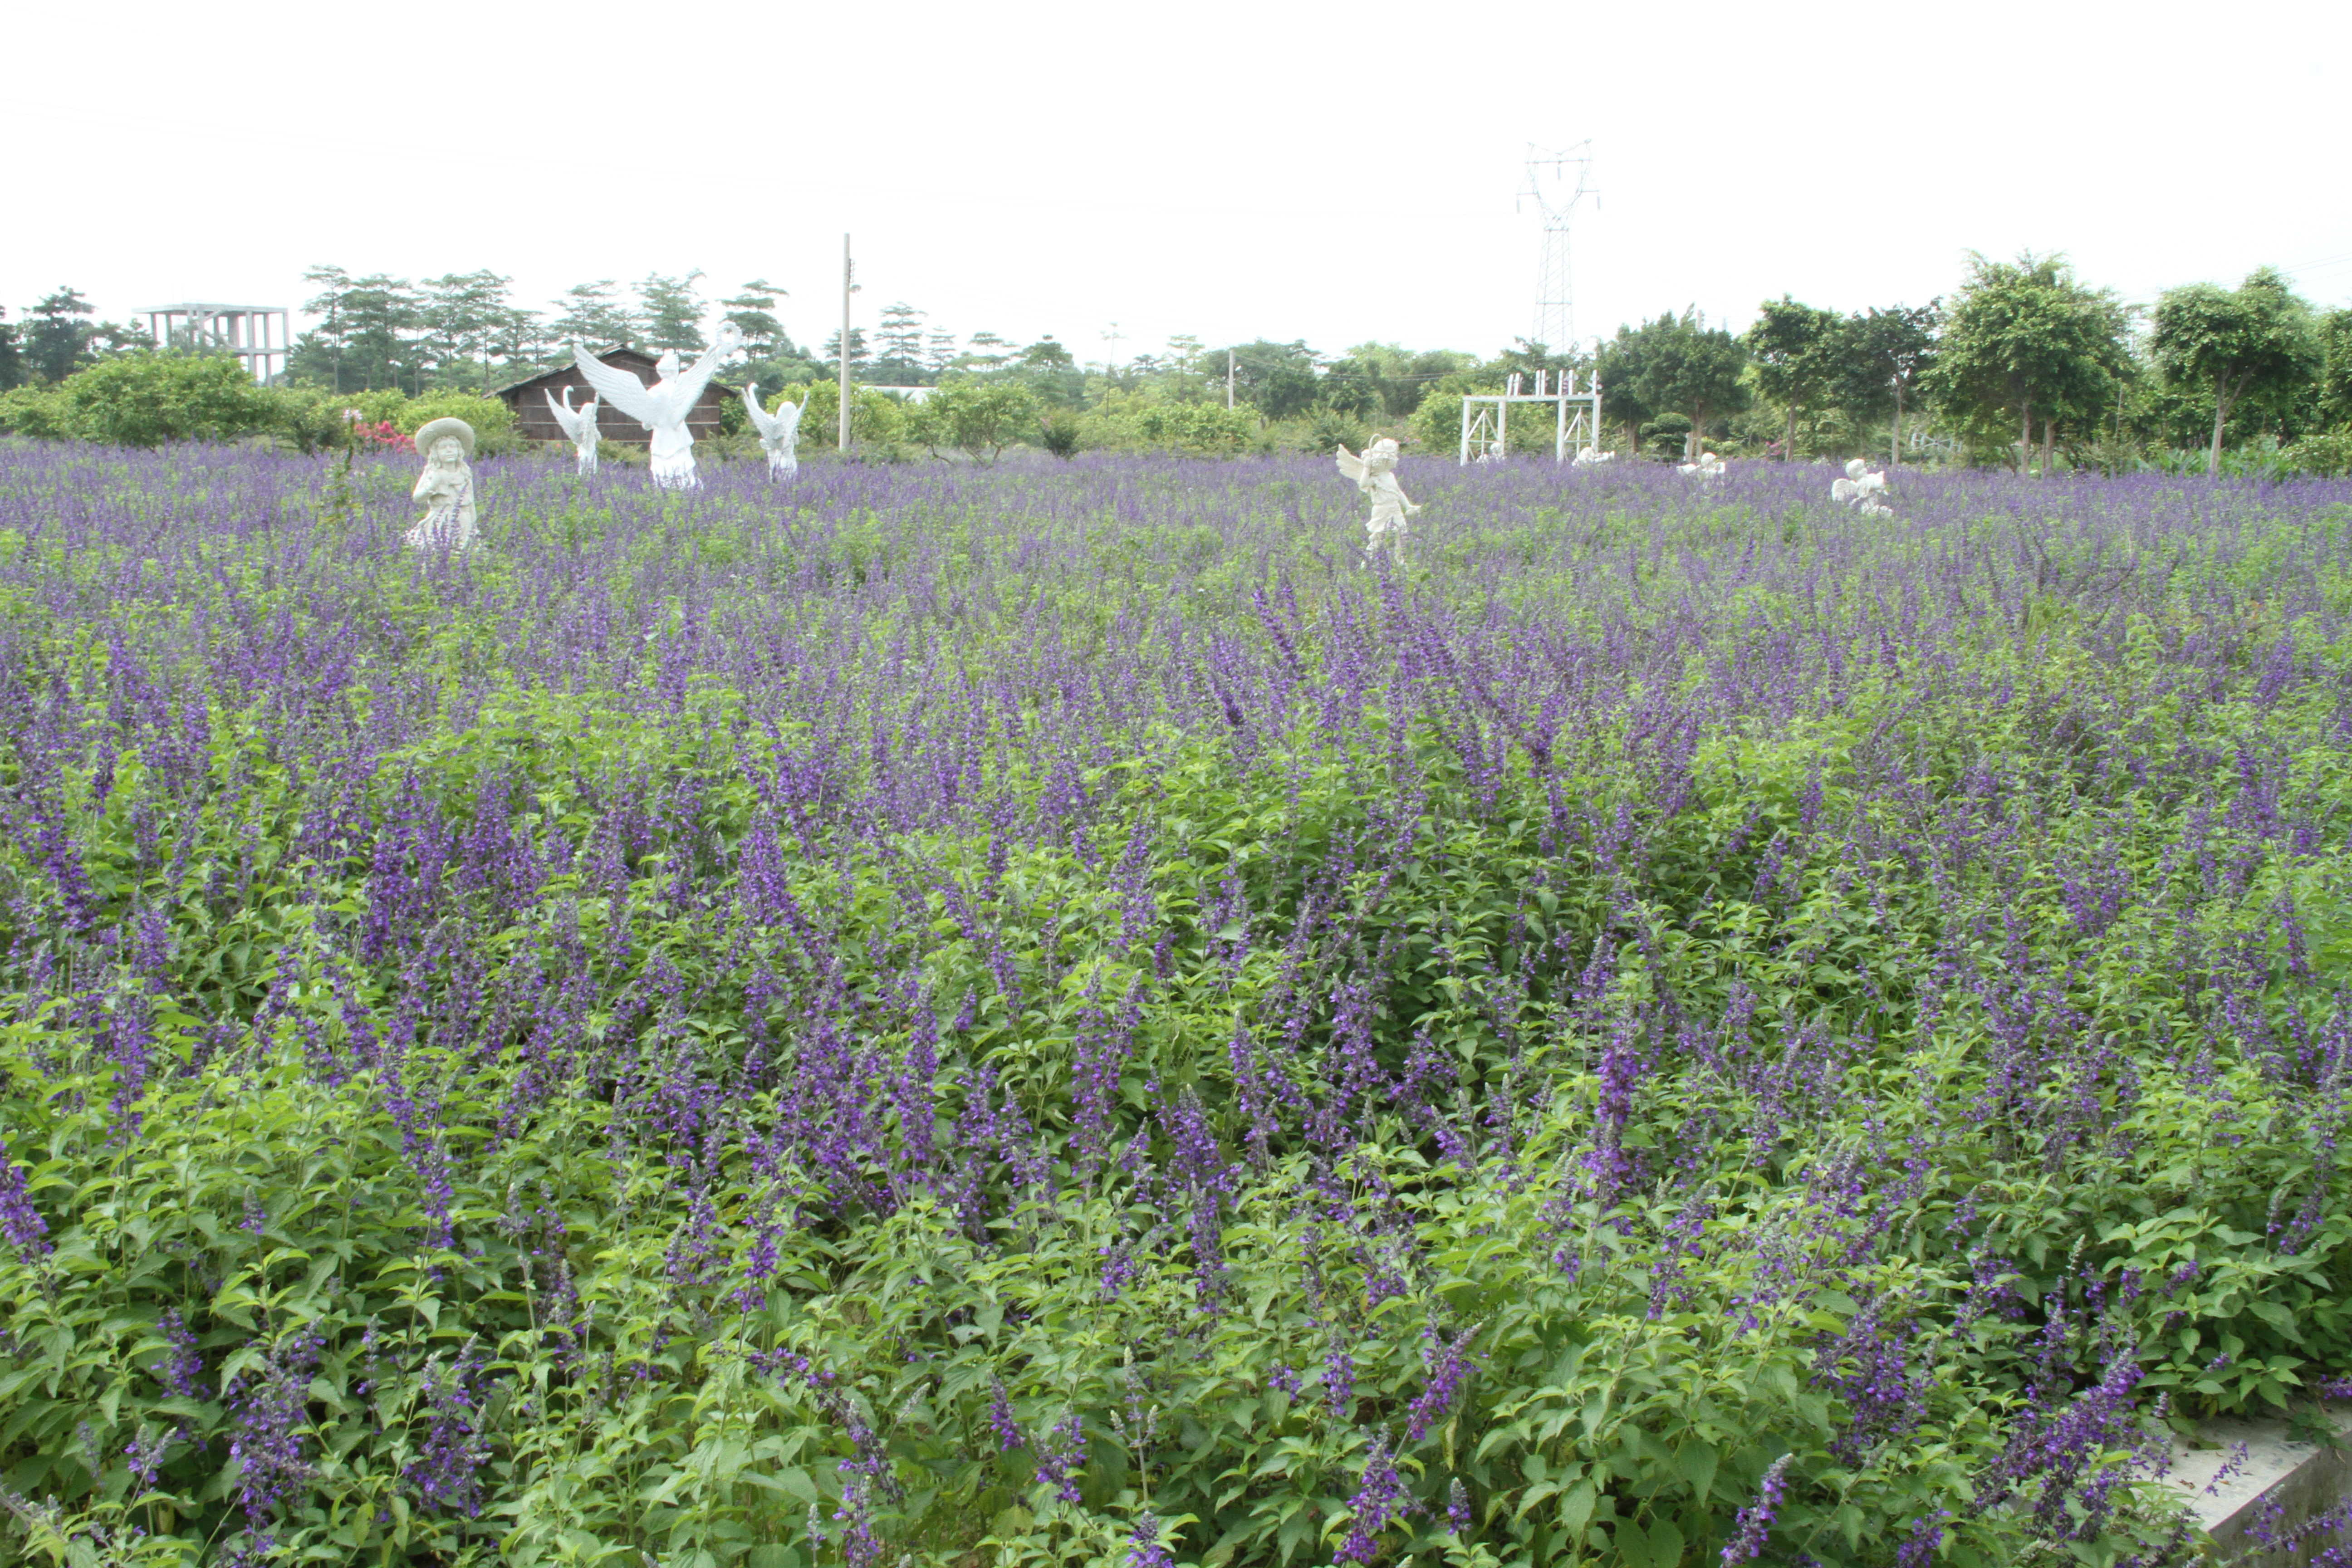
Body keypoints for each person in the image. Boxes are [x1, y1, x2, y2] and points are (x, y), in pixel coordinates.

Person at [1336, 437, 1421, 561]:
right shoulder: (1375, 477)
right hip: (1382, 510)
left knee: (1402, 533)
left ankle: (1400, 559)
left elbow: (1398, 492)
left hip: (1395, 509)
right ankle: (1368, 560)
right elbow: (1363, 484)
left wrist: (1408, 506)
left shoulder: (1390, 476)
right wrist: (1366, 468)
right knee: (1379, 537)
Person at [406, 417, 478, 552]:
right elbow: (417, 498)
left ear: (459, 450)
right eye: (443, 448)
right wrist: (432, 486)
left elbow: (471, 501)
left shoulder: (465, 473)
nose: (449, 451)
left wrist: (474, 526)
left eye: (453, 447)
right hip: (441, 520)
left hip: (464, 519)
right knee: (438, 552)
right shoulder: (433, 473)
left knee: (463, 552)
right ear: (435, 453)